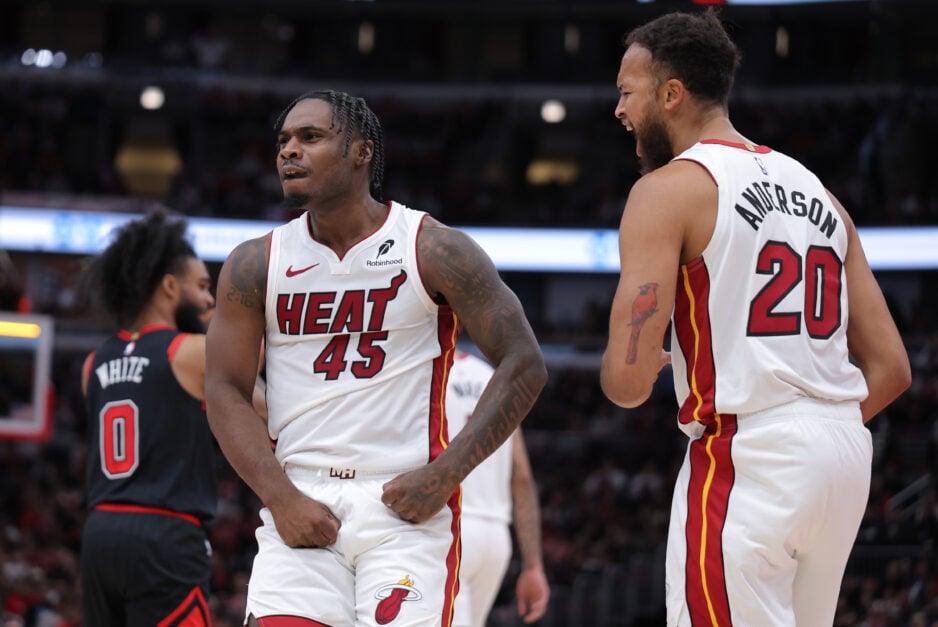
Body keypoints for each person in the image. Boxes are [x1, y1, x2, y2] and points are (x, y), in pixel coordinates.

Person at [599, 9, 911, 627]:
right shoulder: (821, 192)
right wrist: (811, 421)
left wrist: (638, 364)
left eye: (626, 92)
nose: (618, 110)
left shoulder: (666, 191)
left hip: (751, 452)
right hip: (843, 456)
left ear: (671, 94)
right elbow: (893, 369)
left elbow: (628, 385)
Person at [204, 89, 547, 626]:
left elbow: (524, 363)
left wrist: (443, 475)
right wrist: (280, 496)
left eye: (311, 137)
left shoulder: (433, 248)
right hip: (302, 495)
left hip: (404, 505)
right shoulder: (254, 263)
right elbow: (224, 388)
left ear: (362, 152)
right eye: (284, 141)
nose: (289, 151)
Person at [78, 208, 217, 626]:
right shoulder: (191, 352)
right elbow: (263, 353)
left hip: (99, 534)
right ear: (170, 287)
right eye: (203, 287)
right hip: (165, 535)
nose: (210, 300)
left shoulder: (92, 363)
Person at [445, 348, 550, 626]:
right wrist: (533, 565)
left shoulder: (423, 373)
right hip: (494, 537)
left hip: (448, 528)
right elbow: (523, 478)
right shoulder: (493, 377)